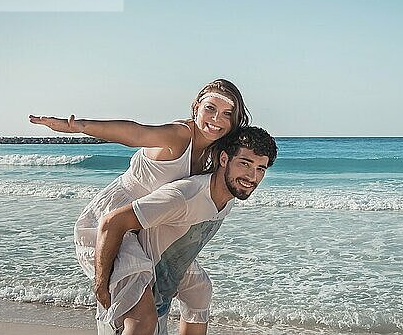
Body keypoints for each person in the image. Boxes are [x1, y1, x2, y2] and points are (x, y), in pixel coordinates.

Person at [29, 79, 250, 334]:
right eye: (210, 108)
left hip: (146, 227)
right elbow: (136, 132)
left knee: (198, 290)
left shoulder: (214, 152)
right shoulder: (179, 136)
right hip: (111, 221)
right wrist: (80, 126)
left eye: (226, 114)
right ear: (196, 107)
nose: (216, 119)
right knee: (143, 318)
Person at [94, 126, 277, 335]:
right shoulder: (184, 196)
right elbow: (112, 222)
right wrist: (100, 284)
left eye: (260, 169)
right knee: (143, 324)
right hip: (134, 268)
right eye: (245, 164)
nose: (252, 176)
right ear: (224, 159)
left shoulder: (227, 199)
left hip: (162, 278)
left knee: (200, 290)